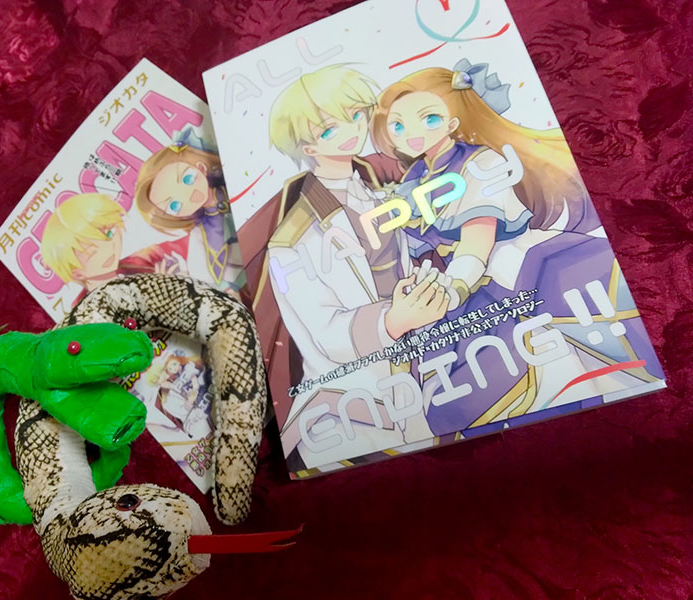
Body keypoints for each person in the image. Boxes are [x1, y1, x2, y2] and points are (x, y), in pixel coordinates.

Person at [370, 60, 660, 436]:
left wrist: (454, 288)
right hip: (455, 280)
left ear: (453, 122)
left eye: (429, 119)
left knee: (553, 356)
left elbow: (477, 239)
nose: (412, 133)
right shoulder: (414, 179)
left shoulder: (479, 162)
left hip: (501, 265)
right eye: (398, 125)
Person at [239, 64, 448, 470]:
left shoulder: (382, 189)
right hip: (348, 402)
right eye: (329, 129)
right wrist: (392, 321)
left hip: (416, 369)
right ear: (307, 146)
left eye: (355, 115)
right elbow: (322, 332)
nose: (352, 130)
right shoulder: (293, 239)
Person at [133, 128, 245, 293]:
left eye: (187, 179)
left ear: (201, 167)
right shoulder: (202, 234)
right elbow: (207, 276)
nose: (189, 195)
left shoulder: (229, 178)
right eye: (174, 205)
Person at [40, 193, 185, 306]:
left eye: (110, 234)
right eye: (92, 252)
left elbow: (186, 246)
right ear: (75, 273)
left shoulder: (142, 261)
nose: (108, 248)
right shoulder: (84, 316)